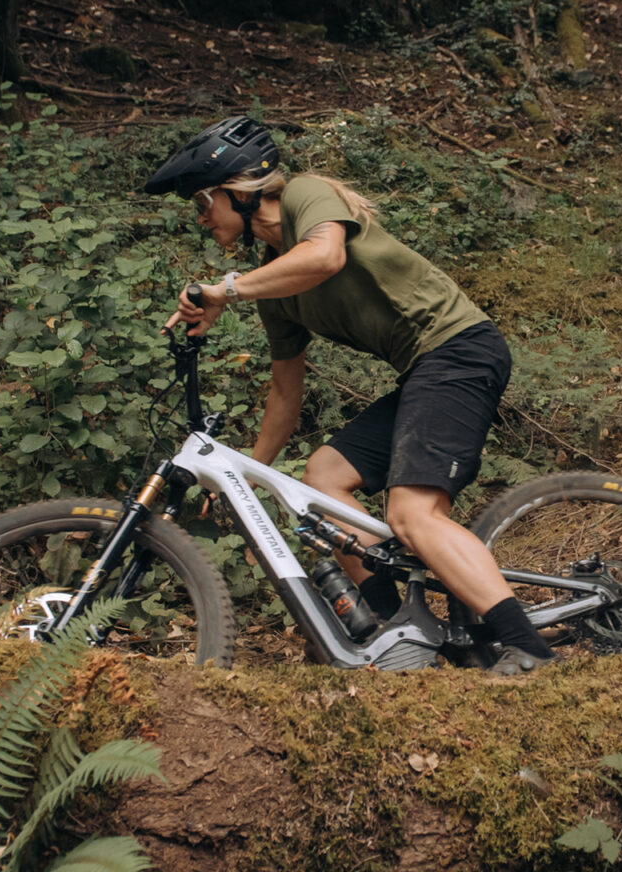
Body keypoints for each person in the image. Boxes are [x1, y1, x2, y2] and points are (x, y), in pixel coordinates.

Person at [144, 115, 555, 675]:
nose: (200, 218)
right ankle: (394, 629)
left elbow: (325, 256)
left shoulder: (305, 195)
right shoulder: (274, 285)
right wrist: (247, 472)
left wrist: (226, 290)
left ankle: (529, 648)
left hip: (459, 350)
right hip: (425, 369)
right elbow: (285, 393)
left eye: (201, 202)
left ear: (235, 191)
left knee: (411, 514)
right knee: (324, 479)